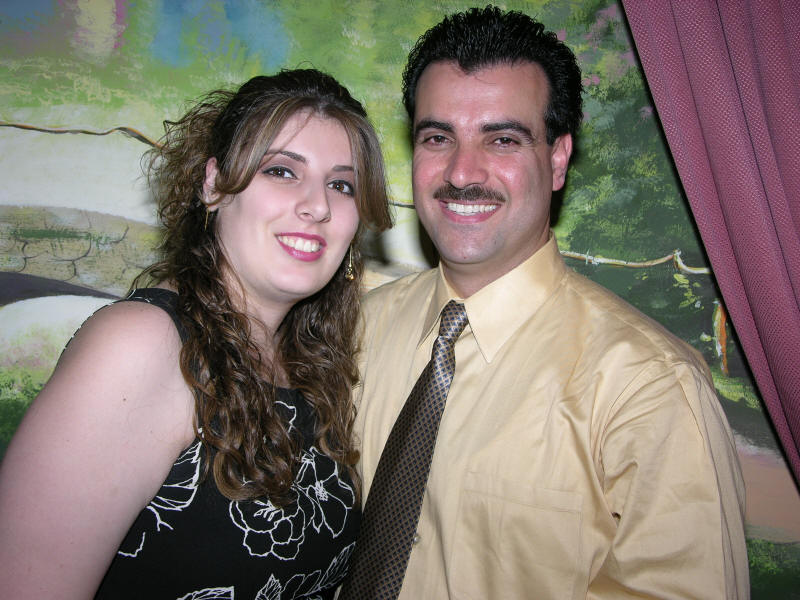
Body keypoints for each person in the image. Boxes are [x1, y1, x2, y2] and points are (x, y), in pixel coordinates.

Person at [347, 6, 748, 599]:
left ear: (557, 159)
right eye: (438, 138)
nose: (461, 172)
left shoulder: (649, 391)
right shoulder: (356, 331)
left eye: (502, 139)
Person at [0, 68, 391, 599]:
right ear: (213, 185)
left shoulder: (307, 361)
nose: (318, 205)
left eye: (341, 185)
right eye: (281, 171)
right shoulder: (142, 346)